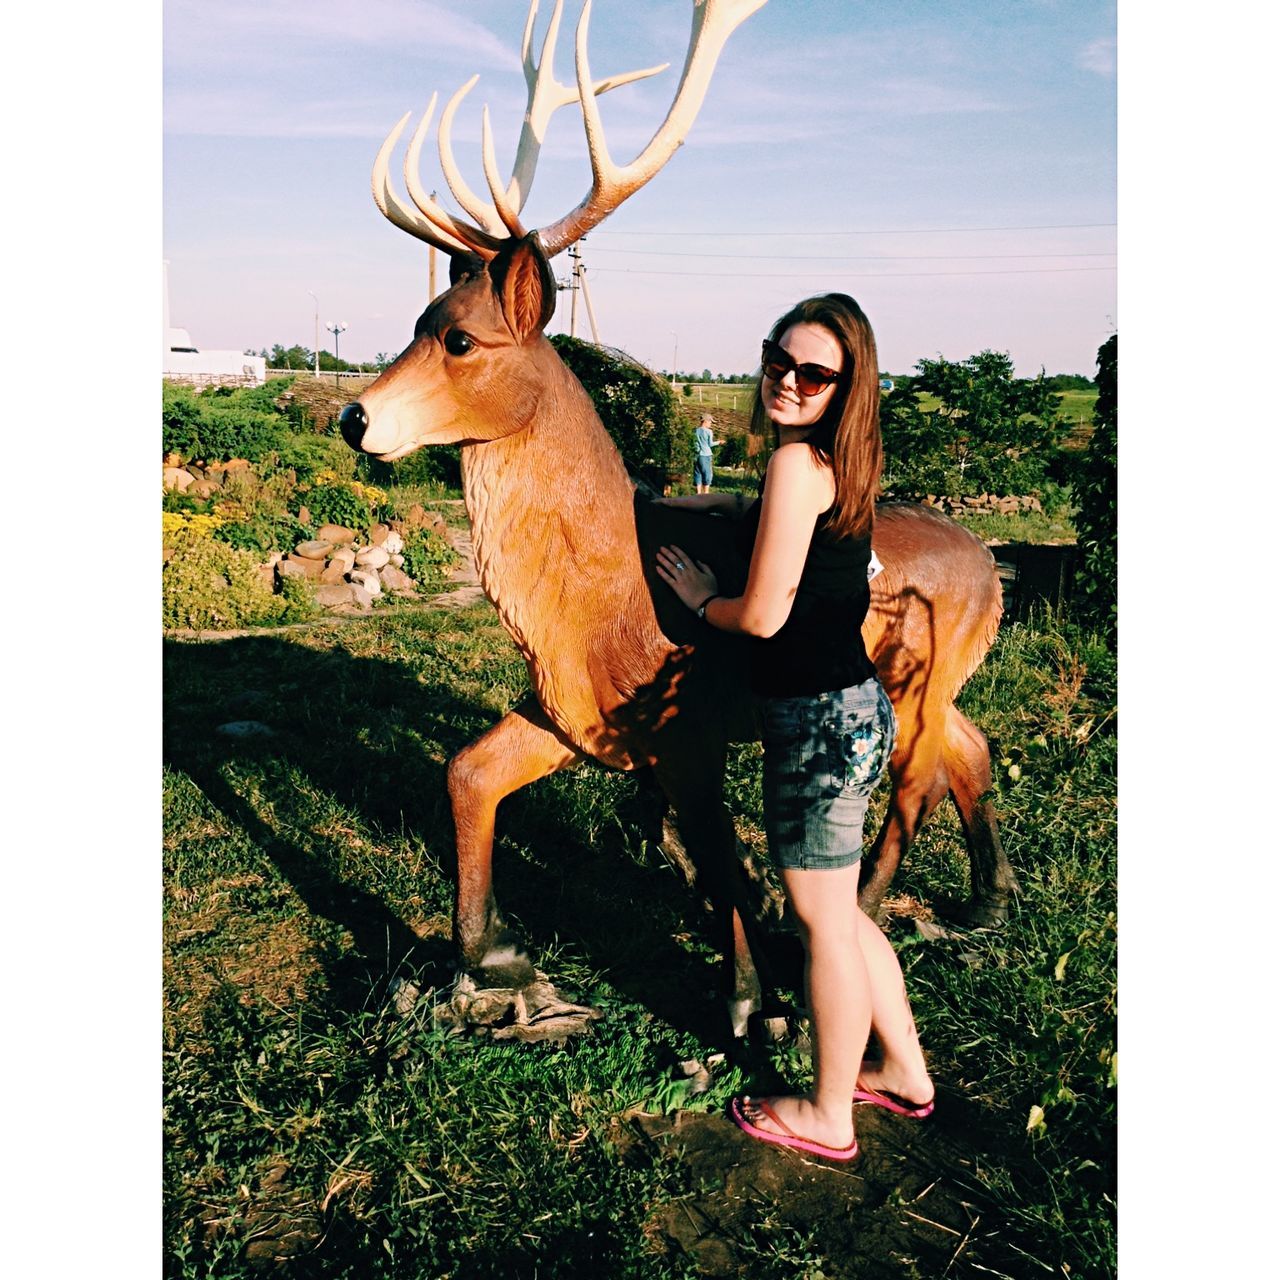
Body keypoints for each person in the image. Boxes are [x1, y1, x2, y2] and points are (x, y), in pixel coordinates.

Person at [654, 294, 933, 1162]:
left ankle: (828, 1116)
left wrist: (704, 601)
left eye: (815, 373)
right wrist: (724, 510)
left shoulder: (795, 467)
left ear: (845, 387)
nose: (788, 380)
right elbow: (794, 532)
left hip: (814, 726)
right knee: (843, 918)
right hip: (856, 712)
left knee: (822, 928)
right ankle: (906, 1075)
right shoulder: (839, 463)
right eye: (780, 358)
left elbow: (765, 616)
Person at [692, 413, 721, 494]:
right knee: (707, 474)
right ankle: (706, 494)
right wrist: (719, 442)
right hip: (706, 455)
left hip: (697, 455)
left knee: (698, 473)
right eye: (710, 422)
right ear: (705, 421)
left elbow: (694, 443)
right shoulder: (709, 431)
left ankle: (698, 493)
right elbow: (710, 444)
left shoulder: (695, 431)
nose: (711, 424)